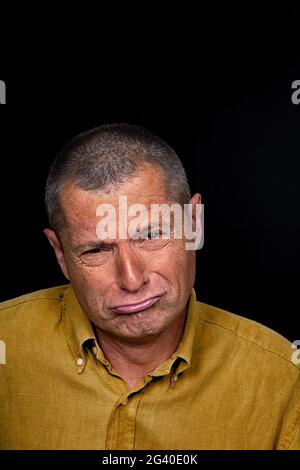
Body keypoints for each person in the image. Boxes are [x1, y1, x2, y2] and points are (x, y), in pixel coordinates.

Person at [0, 124, 299, 450]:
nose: (131, 279)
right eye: (96, 250)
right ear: (60, 254)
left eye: (151, 235)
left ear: (193, 224)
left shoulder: (283, 380)